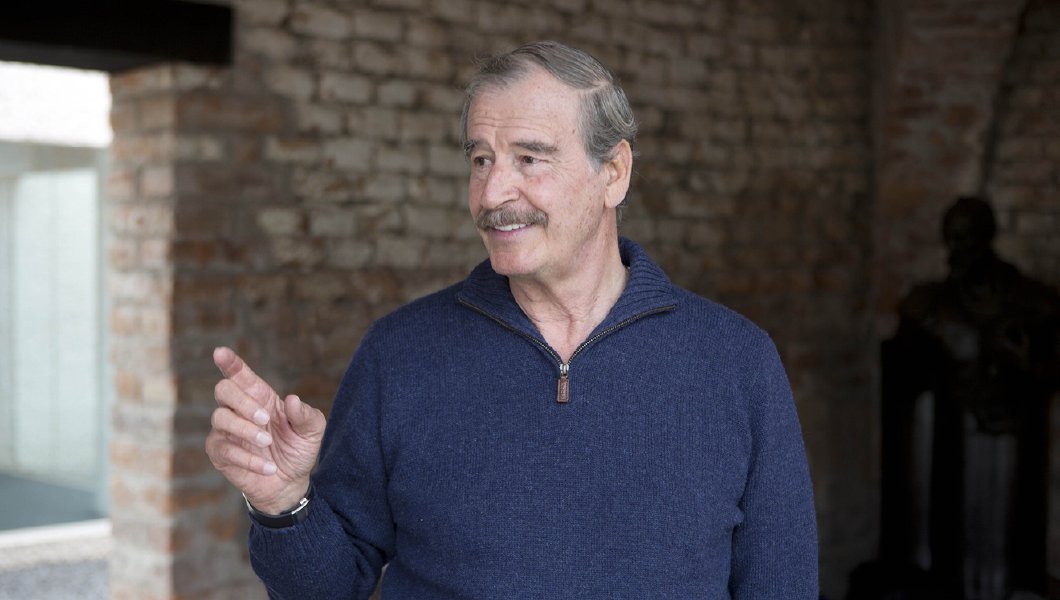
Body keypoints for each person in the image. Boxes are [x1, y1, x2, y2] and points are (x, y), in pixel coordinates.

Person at [206, 40, 818, 599]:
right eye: (480, 159)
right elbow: (329, 588)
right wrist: (284, 505)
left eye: (529, 158)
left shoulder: (737, 361)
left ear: (614, 173)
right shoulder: (398, 354)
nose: (493, 192)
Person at [880, 196, 1058, 599]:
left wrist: (1025, 360)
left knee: (1009, 558)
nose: (956, 249)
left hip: (1014, 445)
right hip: (951, 447)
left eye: (965, 238)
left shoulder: (1032, 303)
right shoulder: (929, 305)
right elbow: (904, 377)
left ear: (986, 237)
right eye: (952, 239)